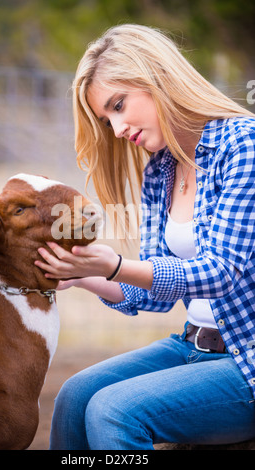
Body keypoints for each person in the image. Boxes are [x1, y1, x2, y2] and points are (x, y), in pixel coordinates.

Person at [34, 24, 255, 450]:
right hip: (195, 346)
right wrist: (81, 274)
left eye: (119, 105)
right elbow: (151, 295)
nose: (116, 128)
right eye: (107, 118)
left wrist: (113, 264)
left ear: (157, 77)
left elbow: (221, 271)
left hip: (246, 362)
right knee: (76, 397)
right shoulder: (161, 170)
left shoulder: (244, 146)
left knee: (113, 410)